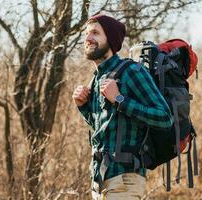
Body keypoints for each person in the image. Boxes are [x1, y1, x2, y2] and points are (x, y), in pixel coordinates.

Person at [72, 14, 173, 200]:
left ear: (110, 39)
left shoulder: (131, 71)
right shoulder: (96, 78)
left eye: (95, 33)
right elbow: (103, 130)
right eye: (86, 34)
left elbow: (165, 117)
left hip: (125, 179)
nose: (88, 38)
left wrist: (119, 99)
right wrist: (83, 107)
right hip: (99, 180)